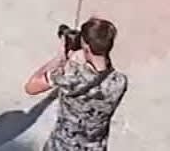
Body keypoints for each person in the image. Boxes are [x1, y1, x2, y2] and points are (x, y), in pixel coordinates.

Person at [24, 17, 128, 151]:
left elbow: (31, 87)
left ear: (87, 47)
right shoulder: (120, 81)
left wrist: (60, 59)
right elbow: (101, 73)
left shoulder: (70, 78)